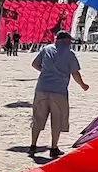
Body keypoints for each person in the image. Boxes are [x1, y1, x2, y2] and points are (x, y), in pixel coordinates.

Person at [28, 28, 88, 157]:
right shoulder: (69, 53)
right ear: (66, 40)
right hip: (59, 91)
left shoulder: (46, 49)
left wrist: (45, 72)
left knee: (38, 118)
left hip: (42, 88)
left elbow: (34, 64)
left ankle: (33, 146)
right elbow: (75, 73)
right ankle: (54, 147)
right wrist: (83, 85)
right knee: (57, 120)